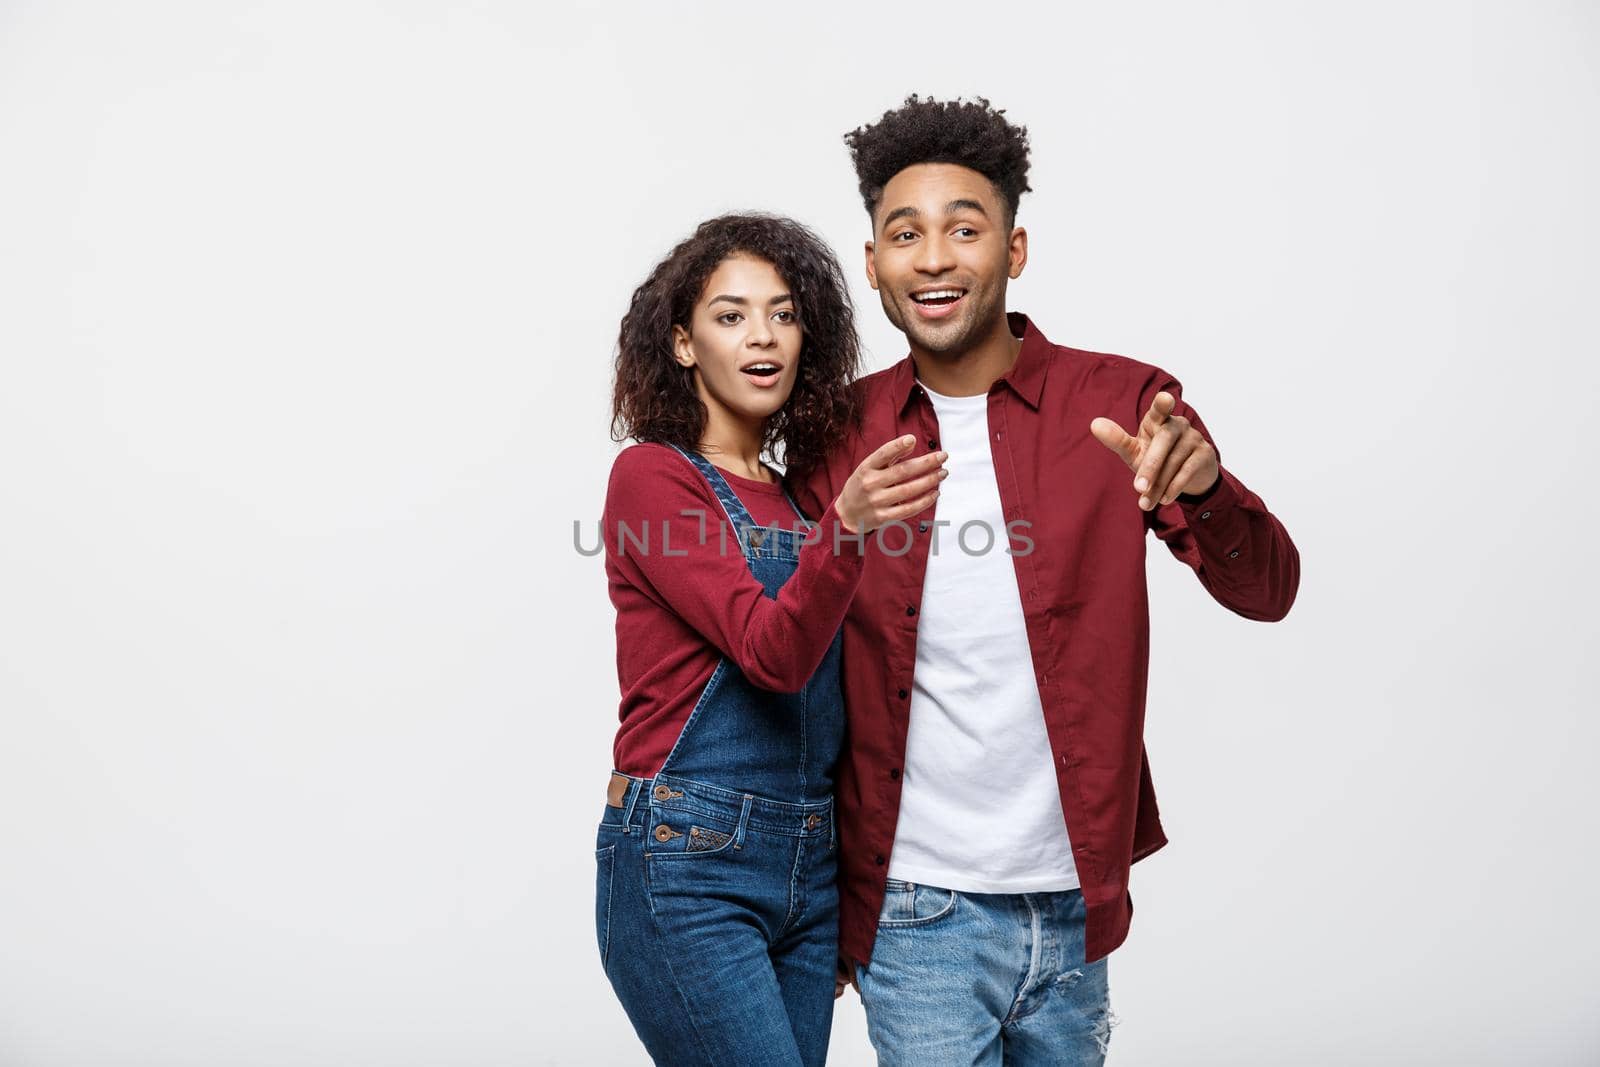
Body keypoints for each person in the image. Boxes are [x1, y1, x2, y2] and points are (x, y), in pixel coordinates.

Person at [789, 96, 1302, 1065]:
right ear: (873, 266)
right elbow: (781, 653)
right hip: (911, 905)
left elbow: (1269, 589)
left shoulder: (1123, 404)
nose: (934, 257)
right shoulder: (832, 437)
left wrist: (1205, 488)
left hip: (1073, 899)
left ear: (1014, 250)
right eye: (905, 234)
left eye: (964, 229)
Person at [595, 212, 949, 1066]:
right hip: (687, 864)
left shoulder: (800, 500)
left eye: (784, 314)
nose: (763, 337)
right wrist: (852, 526)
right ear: (683, 344)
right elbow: (772, 652)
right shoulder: (654, 477)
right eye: (731, 315)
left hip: (807, 865)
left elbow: (850, 697)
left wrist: (837, 882)